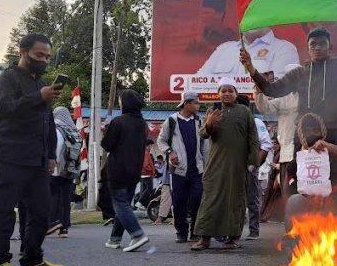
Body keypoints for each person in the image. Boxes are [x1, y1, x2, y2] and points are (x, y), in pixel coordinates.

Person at [241, 18, 337, 148]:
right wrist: (252, 69)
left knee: (333, 179)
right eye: (313, 44)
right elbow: (271, 90)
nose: (317, 47)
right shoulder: (299, 74)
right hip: (304, 137)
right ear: (308, 49)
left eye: (322, 44)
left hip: (333, 136)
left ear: (329, 47)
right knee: (298, 178)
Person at [0, 33, 63, 266]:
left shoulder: (40, 83)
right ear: (22, 51)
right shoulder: (7, 78)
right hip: (10, 156)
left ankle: (32, 260)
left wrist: (51, 154)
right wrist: (38, 97)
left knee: (41, 212)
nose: (43, 60)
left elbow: (47, 122)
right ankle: (0, 264)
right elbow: (5, 108)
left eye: (47, 57)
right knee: (4, 211)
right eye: (39, 55)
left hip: (38, 160)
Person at [191, 78, 260, 250]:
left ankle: (233, 238)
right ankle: (204, 239)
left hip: (238, 166)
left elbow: (253, 139)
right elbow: (203, 135)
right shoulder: (212, 110)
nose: (227, 93)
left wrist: (253, 162)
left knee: (235, 201)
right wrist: (209, 124)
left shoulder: (244, 111)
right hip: (215, 165)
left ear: (236, 94)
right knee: (209, 200)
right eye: (224, 91)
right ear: (218, 94)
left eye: (230, 91)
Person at [102, 89, 150, 253]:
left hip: (118, 169)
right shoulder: (142, 123)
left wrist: (106, 131)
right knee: (124, 205)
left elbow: (106, 145)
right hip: (134, 170)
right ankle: (114, 238)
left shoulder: (118, 121)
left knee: (120, 204)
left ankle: (137, 235)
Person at [156, 91, 206, 242]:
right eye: (196, 102)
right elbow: (161, 141)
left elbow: (205, 144)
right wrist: (170, 152)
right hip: (178, 170)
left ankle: (195, 232)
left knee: (197, 199)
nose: (198, 105)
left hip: (197, 169)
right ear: (187, 103)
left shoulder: (199, 121)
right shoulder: (171, 121)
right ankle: (181, 232)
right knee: (178, 201)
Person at [255, 64, 301, 202]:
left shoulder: (309, 94)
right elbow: (265, 107)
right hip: (286, 152)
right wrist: (259, 91)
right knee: (287, 193)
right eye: (289, 77)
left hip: (303, 151)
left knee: (304, 192)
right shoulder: (283, 97)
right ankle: (292, 222)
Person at [236, 94, 273, 240]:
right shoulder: (230, 120)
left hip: (250, 167)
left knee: (252, 199)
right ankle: (234, 232)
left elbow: (266, 144)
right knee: (234, 200)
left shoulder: (256, 122)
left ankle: (253, 231)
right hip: (233, 167)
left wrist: (255, 164)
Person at [198, 27, 300, 78]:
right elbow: (198, 80)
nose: (250, 19)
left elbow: (279, 88)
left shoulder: (284, 49)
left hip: (262, 114)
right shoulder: (224, 49)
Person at [50, 106, 81, 238]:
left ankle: (53, 222)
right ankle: (64, 228)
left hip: (57, 169)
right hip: (70, 169)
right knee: (65, 199)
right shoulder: (73, 130)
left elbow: (56, 149)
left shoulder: (56, 129)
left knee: (53, 196)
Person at [260, 136, 284, 223]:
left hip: (277, 177)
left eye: (275, 143)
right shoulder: (275, 152)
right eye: (272, 143)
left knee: (275, 198)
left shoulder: (281, 153)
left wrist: (275, 166)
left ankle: (275, 217)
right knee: (268, 197)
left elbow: (282, 166)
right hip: (272, 176)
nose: (273, 145)